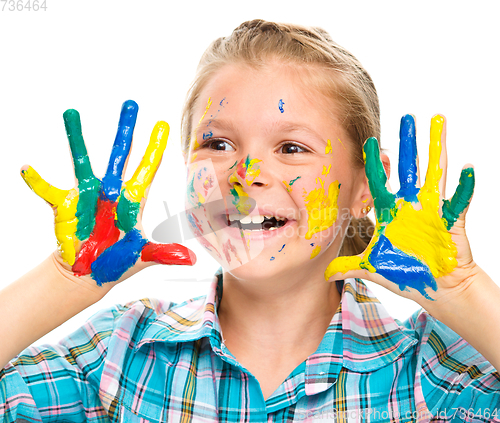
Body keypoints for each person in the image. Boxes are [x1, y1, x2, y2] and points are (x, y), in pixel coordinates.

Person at [1, 19, 499, 423]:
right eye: (218, 145)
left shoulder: (430, 374)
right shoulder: (117, 354)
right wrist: (64, 281)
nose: (246, 175)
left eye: (291, 148)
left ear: (368, 185)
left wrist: (463, 290)